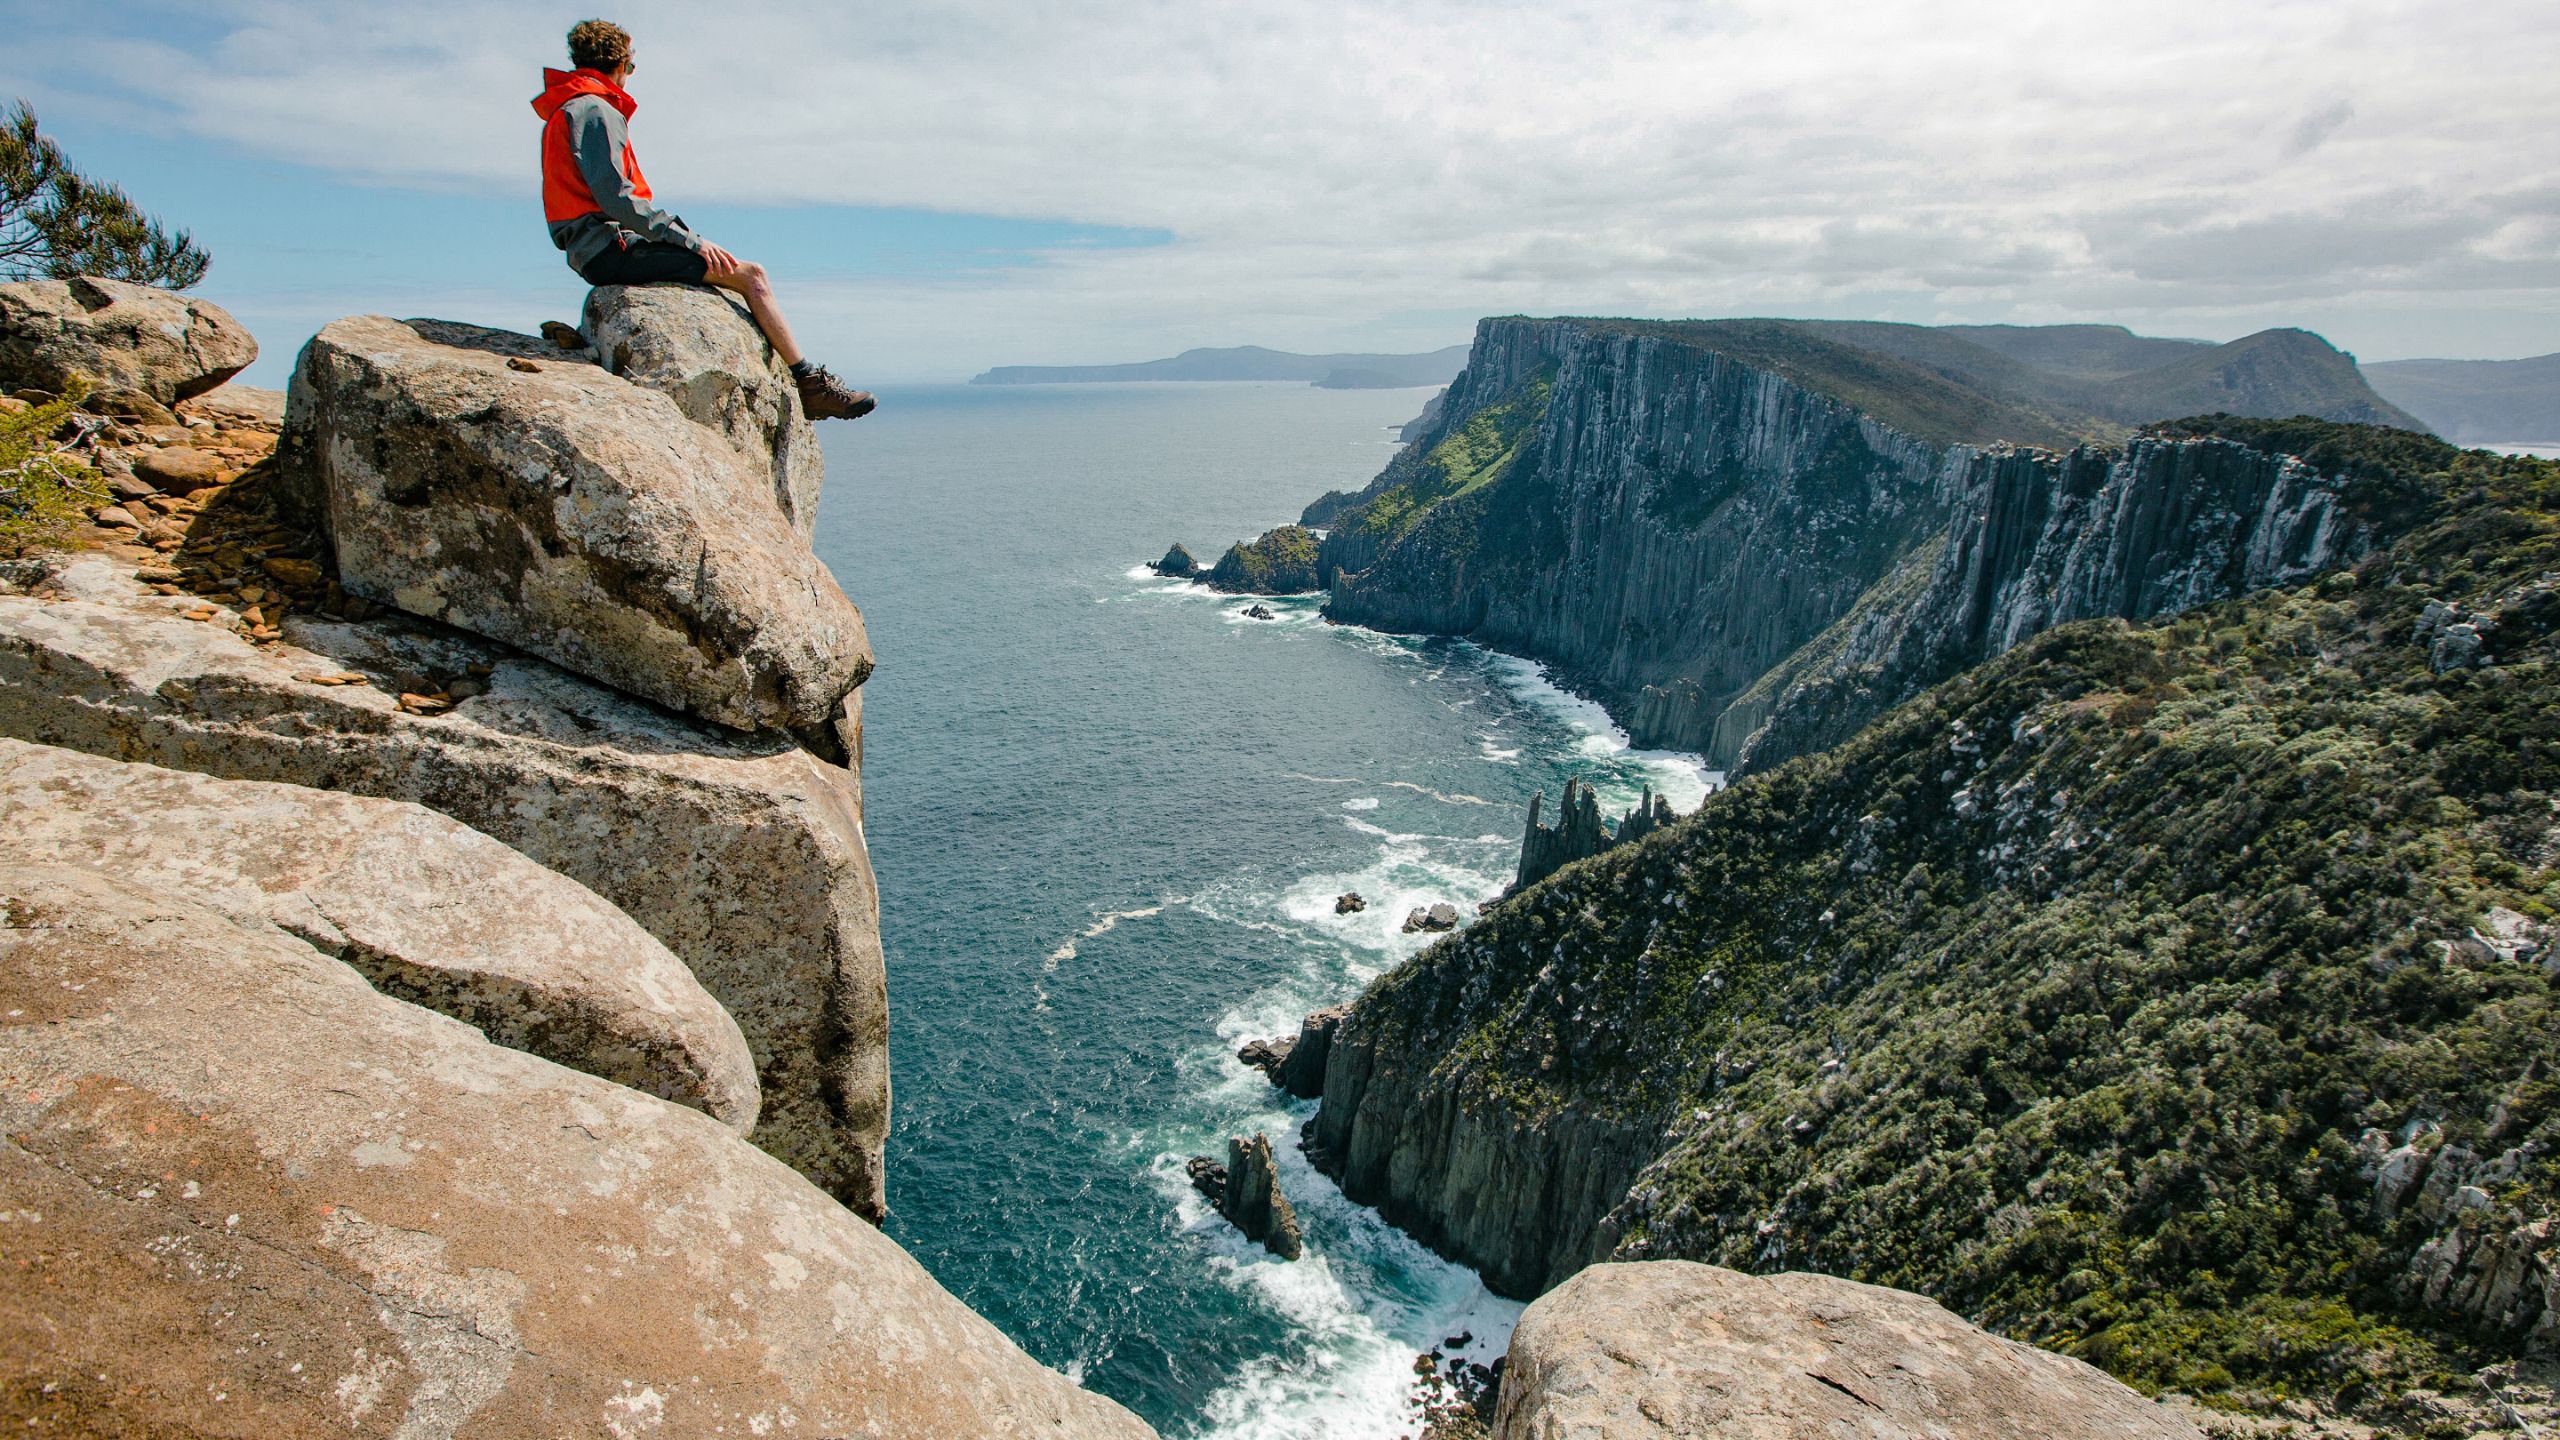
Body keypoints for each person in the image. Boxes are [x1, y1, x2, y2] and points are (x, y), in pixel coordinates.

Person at [532, 19, 874, 420]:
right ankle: (810, 386)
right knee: (751, 276)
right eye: (632, 67)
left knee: (734, 274)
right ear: (622, 64)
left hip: (595, 247)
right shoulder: (594, 109)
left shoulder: (568, 108)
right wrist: (691, 241)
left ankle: (809, 383)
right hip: (610, 247)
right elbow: (618, 200)